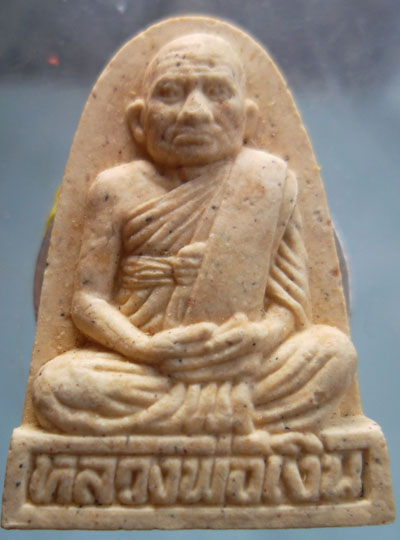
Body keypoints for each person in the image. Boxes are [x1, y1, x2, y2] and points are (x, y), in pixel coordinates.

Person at [32, 34, 356, 437]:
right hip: (147, 368)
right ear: (139, 120)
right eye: (170, 93)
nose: (194, 112)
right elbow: (87, 300)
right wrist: (145, 347)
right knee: (58, 383)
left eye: (217, 92)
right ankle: (229, 419)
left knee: (332, 352)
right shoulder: (115, 188)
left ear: (248, 119)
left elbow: (288, 306)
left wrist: (257, 338)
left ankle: (171, 427)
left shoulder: (271, 182)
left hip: (242, 365)